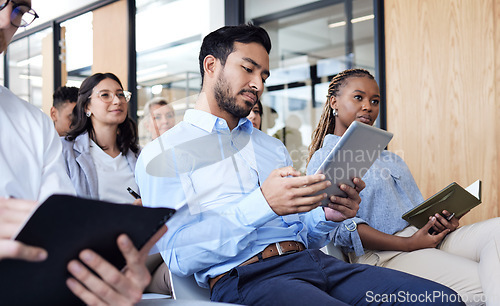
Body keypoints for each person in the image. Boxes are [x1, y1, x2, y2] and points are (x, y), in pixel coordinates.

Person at [136, 24, 464, 305]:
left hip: (313, 263)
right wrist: (262, 204)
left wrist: (327, 214)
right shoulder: (162, 155)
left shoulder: (271, 148)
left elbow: (305, 233)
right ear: (211, 66)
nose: (258, 85)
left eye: (263, 75)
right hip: (249, 277)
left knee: (442, 299)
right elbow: (180, 257)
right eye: (247, 69)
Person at [0, 1, 155, 304]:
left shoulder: (34, 126)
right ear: (88, 106)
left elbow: (60, 246)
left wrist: (98, 282)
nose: (7, 19)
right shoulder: (68, 149)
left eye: (19, 9)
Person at [307, 68, 500, 305]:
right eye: (358, 97)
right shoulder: (325, 159)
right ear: (334, 102)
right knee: (483, 286)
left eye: (374, 101)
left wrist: (440, 221)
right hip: (386, 255)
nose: (368, 106)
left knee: (498, 231)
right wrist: (408, 244)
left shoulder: (391, 158)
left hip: (424, 240)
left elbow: (417, 211)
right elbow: (340, 229)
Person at [61, 73, 141, 204]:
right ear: (87, 106)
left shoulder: (138, 154)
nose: (117, 101)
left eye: (120, 94)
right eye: (105, 95)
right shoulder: (64, 150)